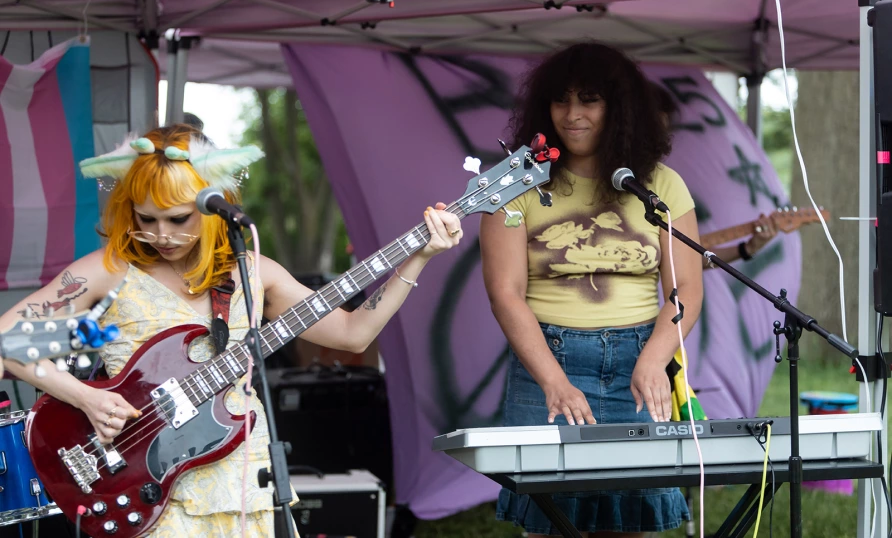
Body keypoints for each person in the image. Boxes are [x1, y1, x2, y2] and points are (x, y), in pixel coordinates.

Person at [0, 124, 463, 537]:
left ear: (212, 205)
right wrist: (87, 397)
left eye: (179, 218)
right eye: (146, 219)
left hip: (242, 478)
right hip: (143, 484)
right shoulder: (108, 270)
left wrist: (417, 257)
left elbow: (351, 334)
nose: (162, 234)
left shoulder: (252, 270)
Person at [480, 42, 703, 537]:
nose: (572, 114)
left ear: (618, 108)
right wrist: (554, 382)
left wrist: (652, 359)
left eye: (590, 99)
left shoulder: (661, 184)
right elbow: (505, 294)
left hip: (639, 362)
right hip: (549, 362)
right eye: (561, 101)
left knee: (630, 522)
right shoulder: (513, 185)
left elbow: (686, 287)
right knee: (553, 522)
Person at [648, 81, 779, 266]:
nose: (656, 145)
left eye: (662, 134)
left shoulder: (664, 185)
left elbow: (685, 260)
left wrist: (748, 248)